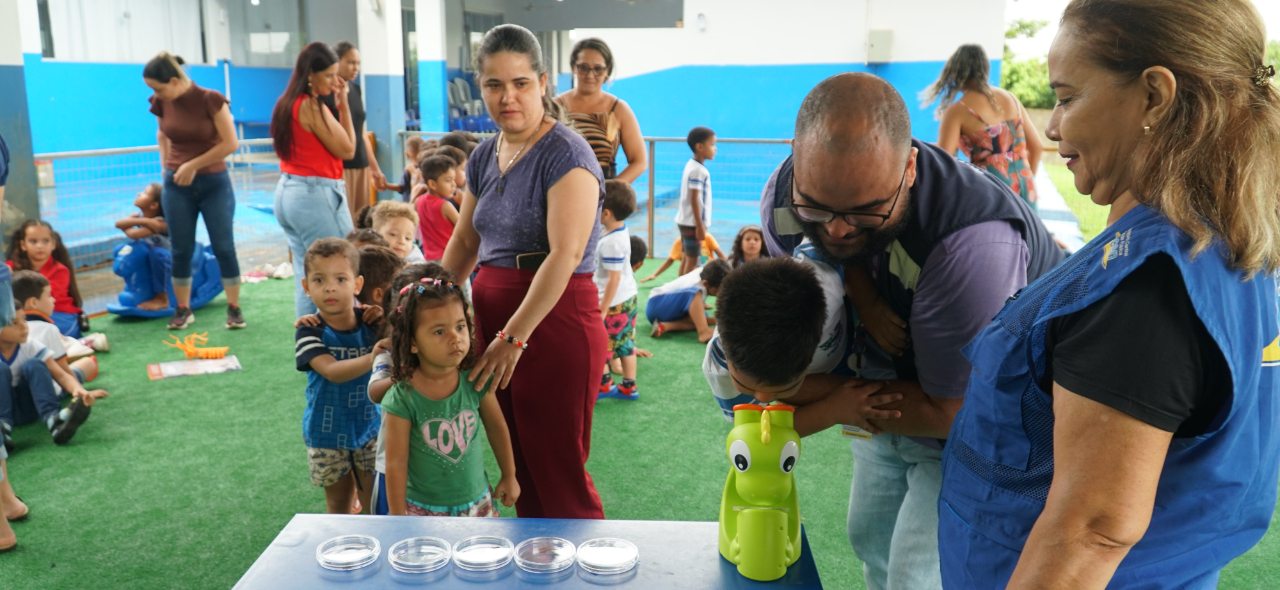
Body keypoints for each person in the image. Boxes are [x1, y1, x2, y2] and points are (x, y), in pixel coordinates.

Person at [939, 1, 1280, 587]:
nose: (1051, 126)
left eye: (1068, 97)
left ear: (1153, 96)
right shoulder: (1223, 242)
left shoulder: (1145, 287)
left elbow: (1091, 531)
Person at [753, 73, 1062, 590]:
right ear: (796, 160)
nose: (837, 230)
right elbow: (772, 373)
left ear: (911, 168)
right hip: (892, 393)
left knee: (918, 573)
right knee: (869, 540)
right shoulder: (785, 204)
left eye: (866, 209)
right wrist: (860, 289)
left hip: (990, 418)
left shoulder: (971, 246)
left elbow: (957, 409)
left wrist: (838, 402)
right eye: (817, 206)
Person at [441, 24, 607, 519]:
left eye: (520, 83)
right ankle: (539, 566)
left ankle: (580, 568)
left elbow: (566, 253)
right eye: (494, 85)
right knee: (520, 467)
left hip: (551, 325)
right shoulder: (482, 154)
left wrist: (513, 337)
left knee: (558, 472)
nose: (506, 96)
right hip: (492, 322)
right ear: (480, 87)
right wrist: (418, 306)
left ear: (543, 82)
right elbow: (466, 241)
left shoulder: (567, 154)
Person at [382, 268, 519, 517]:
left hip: (478, 504)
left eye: (460, 326)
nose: (455, 338)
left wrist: (509, 475)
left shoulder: (475, 381)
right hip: (423, 510)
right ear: (413, 342)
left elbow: (497, 427)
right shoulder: (402, 397)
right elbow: (395, 463)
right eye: (439, 331)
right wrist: (396, 515)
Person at [143, 51, 245, 330]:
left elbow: (230, 143)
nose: (156, 94)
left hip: (214, 183)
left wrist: (193, 165)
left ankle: (234, 308)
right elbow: (162, 134)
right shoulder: (161, 102)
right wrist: (168, 169)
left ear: (175, 80)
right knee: (180, 249)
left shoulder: (210, 99)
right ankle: (183, 309)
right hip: (177, 186)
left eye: (159, 87)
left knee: (224, 247)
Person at [294, 238, 380, 514]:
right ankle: (344, 557)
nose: (330, 287)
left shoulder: (373, 322)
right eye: (319, 280)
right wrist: (375, 355)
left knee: (374, 506)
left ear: (357, 284)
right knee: (339, 507)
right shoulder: (309, 330)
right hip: (326, 433)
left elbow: (403, 339)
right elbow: (331, 371)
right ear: (306, 287)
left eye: (341, 278)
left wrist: (386, 317)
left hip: (370, 428)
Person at [272, 42, 358, 318]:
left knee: (310, 276)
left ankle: (309, 350)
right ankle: (330, 350)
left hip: (289, 192)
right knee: (340, 266)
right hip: (314, 195)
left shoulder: (287, 103)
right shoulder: (311, 105)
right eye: (330, 75)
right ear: (311, 74)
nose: (336, 81)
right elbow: (347, 149)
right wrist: (343, 105)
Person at [927, 44, 1043, 211]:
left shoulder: (958, 111)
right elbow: (1037, 147)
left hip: (990, 192)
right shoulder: (1011, 98)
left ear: (956, 71)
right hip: (1026, 188)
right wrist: (1026, 181)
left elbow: (946, 159)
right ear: (985, 68)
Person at [0, 308, 108, 450]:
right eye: (14, 323)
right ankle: (3, 429)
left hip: (30, 408)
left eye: (24, 319)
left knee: (34, 364)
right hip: (4, 410)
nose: (23, 326)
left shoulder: (31, 345)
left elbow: (61, 375)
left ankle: (54, 420)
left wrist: (80, 391)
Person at [555, 38, 648, 182]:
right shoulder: (554, 107)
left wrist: (612, 192)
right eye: (584, 67)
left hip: (604, 200)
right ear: (574, 67)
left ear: (607, 71)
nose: (590, 75)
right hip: (558, 195)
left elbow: (639, 161)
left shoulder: (618, 109)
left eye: (598, 69)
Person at [322, 42, 389, 218]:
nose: (356, 68)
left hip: (361, 165)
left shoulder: (356, 90)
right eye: (351, 62)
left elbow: (361, 134)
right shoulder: (326, 94)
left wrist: (374, 168)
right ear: (336, 62)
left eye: (358, 63)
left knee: (361, 221)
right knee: (343, 222)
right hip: (339, 168)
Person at [13, 271, 99, 390]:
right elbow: (64, 374)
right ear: (33, 303)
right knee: (88, 363)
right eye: (49, 295)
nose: (53, 300)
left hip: (16, 395)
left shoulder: (7, 329)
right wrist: (79, 389)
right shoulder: (48, 329)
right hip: (48, 391)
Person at [595, 180, 639, 401]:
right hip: (627, 297)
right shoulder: (617, 229)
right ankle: (629, 387)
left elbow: (613, 279)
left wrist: (603, 309)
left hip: (613, 302)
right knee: (626, 343)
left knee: (601, 343)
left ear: (606, 213)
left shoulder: (611, 242)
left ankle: (604, 386)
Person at [6, 221, 86, 338]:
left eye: (45, 241)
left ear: (53, 244)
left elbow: (39, 300)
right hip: (27, 315)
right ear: (23, 245)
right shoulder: (12, 266)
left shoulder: (60, 271)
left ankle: (84, 343)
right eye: (33, 241)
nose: (40, 246)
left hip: (59, 315)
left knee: (41, 331)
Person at [114, 182, 172, 311]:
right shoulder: (139, 216)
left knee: (158, 255)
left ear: (153, 205)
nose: (139, 194)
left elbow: (134, 234)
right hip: (147, 252)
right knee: (120, 249)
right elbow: (118, 223)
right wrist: (144, 221)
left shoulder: (159, 223)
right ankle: (135, 287)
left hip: (167, 257)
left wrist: (128, 227)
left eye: (145, 193)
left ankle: (162, 297)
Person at [646, 260, 729, 343]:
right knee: (695, 295)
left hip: (664, 311)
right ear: (705, 283)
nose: (719, 294)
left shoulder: (706, 273)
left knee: (701, 318)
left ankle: (665, 326)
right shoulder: (696, 285)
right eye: (716, 291)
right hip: (656, 303)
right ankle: (704, 332)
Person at [676, 127, 717, 277]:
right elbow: (695, 198)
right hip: (692, 223)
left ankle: (678, 287)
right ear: (699, 147)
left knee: (687, 257)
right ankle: (682, 290)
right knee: (692, 259)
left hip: (687, 221)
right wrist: (700, 225)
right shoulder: (698, 170)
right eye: (712, 144)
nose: (715, 149)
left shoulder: (692, 166)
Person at [413, 155, 460, 261]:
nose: (454, 184)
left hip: (429, 259)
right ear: (432, 184)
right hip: (450, 259)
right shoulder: (445, 206)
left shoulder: (419, 201)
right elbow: (464, 229)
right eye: (448, 180)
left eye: (454, 179)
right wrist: (463, 202)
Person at [640, 233, 726, 283]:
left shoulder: (707, 237)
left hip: (709, 273)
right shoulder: (679, 242)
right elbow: (670, 260)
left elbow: (723, 257)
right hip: (691, 275)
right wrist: (654, 275)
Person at [377, 135, 425, 203]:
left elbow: (401, 187)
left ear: (407, 154)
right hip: (420, 203)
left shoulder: (409, 169)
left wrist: (386, 185)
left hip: (408, 204)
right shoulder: (425, 168)